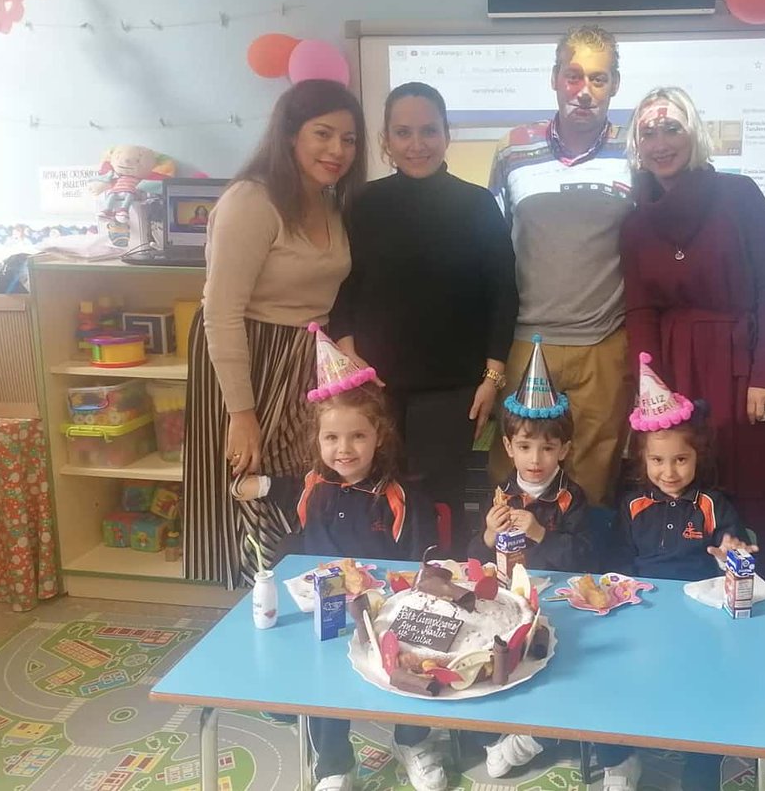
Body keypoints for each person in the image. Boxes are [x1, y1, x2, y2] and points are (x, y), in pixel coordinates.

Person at [232, 327, 442, 791]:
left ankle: (412, 739)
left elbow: (419, 561)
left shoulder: (397, 496)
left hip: (387, 610)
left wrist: (403, 598)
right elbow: (290, 489)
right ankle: (333, 762)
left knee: (411, 662)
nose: (343, 449)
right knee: (322, 676)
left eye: (357, 436)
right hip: (324, 606)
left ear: (379, 437)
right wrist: (260, 485)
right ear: (319, 440)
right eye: (332, 437)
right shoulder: (314, 485)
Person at [185, 79, 364, 588]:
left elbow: (328, 299)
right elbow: (221, 311)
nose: (337, 150)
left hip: (306, 357)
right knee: (252, 479)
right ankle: (257, 599)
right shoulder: (252, 200)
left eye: (348, 139)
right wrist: (242, 413)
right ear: (289, 135)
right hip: (251, 356)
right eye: (323, 134)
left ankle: (303, 589)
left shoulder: (329, 202)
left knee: (301, 480)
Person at [329, 82, 517, 547]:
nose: (417, 144)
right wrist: (350, 356)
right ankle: (379, 584)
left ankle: (440, 582)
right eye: (403, 132)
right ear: (386, 140)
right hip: (374, 386)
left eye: (429, 130)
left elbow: (502, 293)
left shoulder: (477, 204)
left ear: (447, 134)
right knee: (373, 497)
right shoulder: (361, 204)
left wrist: (492, 379)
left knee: (438, 503)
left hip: (452, 391)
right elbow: (341, 286)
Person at [619, 87, 765, 586]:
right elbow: (640, 309)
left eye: (671, 128)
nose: (660, 143)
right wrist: (650, 386)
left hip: (743, 369)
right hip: (675, 368)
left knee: (750, 491)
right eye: (648, 133)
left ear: (694, 134)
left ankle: (762, 603)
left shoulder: (740, 196)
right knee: (679, 489)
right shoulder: (635, 222)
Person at [487, 25, 633, 507]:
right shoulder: (512, 149)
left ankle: (583, 557)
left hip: (603, 344)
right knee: (516, 474)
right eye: (573, 76)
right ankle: (512, 555)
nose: (584, 90)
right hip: (526, 340)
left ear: (615, 84)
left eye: (598, 78)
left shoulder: (635, 152)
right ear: (554, 79)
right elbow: (494, 248)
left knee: (593, 479)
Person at [602, 352, 755, 791]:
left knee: (706, 690)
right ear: (643, 460)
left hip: (699, 618)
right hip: (643, 613)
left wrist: (731, 551)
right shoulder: (632, 506)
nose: (668, 472)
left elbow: (732, 546)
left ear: (697, 457)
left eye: (680, 460)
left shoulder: (713, 505)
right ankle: (618, 759)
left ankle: (702, 766)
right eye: (657, 461)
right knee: (612, 680)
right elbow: (617, 563)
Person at [465, 335, 593, 778]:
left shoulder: (572, 498)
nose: (535, 458)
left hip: (558, 605)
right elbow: (472, 561)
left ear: (564, 450)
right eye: (524, 447)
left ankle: (535, 736)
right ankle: (499, 731)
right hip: (508, 606)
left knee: (564, 669)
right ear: (508, 447)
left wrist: (538, 531)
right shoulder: (500, 494)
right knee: (495, 661)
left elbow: (584, 558)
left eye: (547, 448)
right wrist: (488, 533)